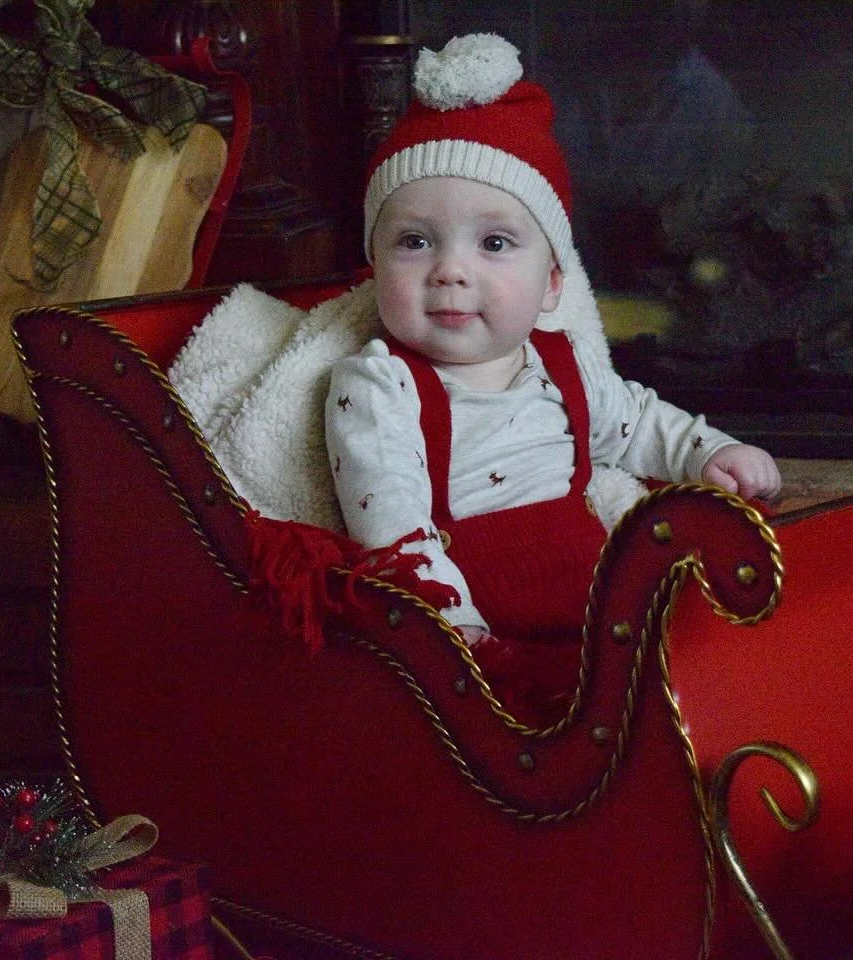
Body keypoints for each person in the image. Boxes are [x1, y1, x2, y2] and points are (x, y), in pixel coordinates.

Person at [325, 34, 780, 716]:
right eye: (414, 241)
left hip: (599, 605)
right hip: (489, 638)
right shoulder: (378, 386)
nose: (450, 270)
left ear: (550, 285)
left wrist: (711, 452)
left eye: (495, 243)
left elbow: (637, 421)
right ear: (374, 264)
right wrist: (460, 638)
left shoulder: (561, 363)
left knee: (710, 661)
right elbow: (393, 525)